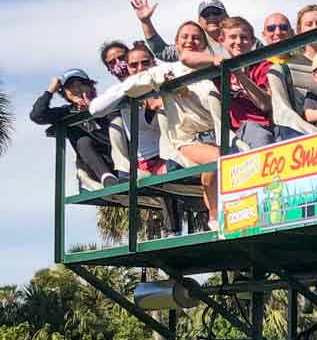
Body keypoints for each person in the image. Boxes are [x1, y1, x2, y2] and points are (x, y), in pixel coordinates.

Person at [110, 24, 222, 225]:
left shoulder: (215, 69)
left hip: (220, 134)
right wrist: (163, 81)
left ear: (205, 43)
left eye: (196, 37)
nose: (190, 41)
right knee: (218, 161)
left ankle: (219, 216)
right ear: (176, 43)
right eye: (184, 37)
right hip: (189, 139)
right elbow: (130, 86)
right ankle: (215, 216)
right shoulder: (168, 69)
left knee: (229, 163)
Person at [90, 41, 174, 175]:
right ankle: (123, 172)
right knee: (114, 123)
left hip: (173, 153)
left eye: (122, 58)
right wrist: (132, 85)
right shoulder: (120, 91)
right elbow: (95, 109)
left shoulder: (158, 75)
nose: (119, 64)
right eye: (112, 62)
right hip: (148, 161)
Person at [30, 69, 118, 186]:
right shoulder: (67, 112)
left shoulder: (105, 104)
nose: (76, 90)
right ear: (65, 93)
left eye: (80, 85)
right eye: (70, 87)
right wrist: (50, 90)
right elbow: (37, 115)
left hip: (117, 160)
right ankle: (106, 177)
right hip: (94, 169)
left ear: (90, 86)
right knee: (83, 141)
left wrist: (93, 111)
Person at [219, 16, 275, 149]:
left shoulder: (263, 67)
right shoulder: (217, 70)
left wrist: (241, 76)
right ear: (221, 41)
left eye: (244, 37)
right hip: (235, 131)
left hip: (264, 126)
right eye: (232, 37)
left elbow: (266, 104)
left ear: (252, 41)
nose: (238, 42)